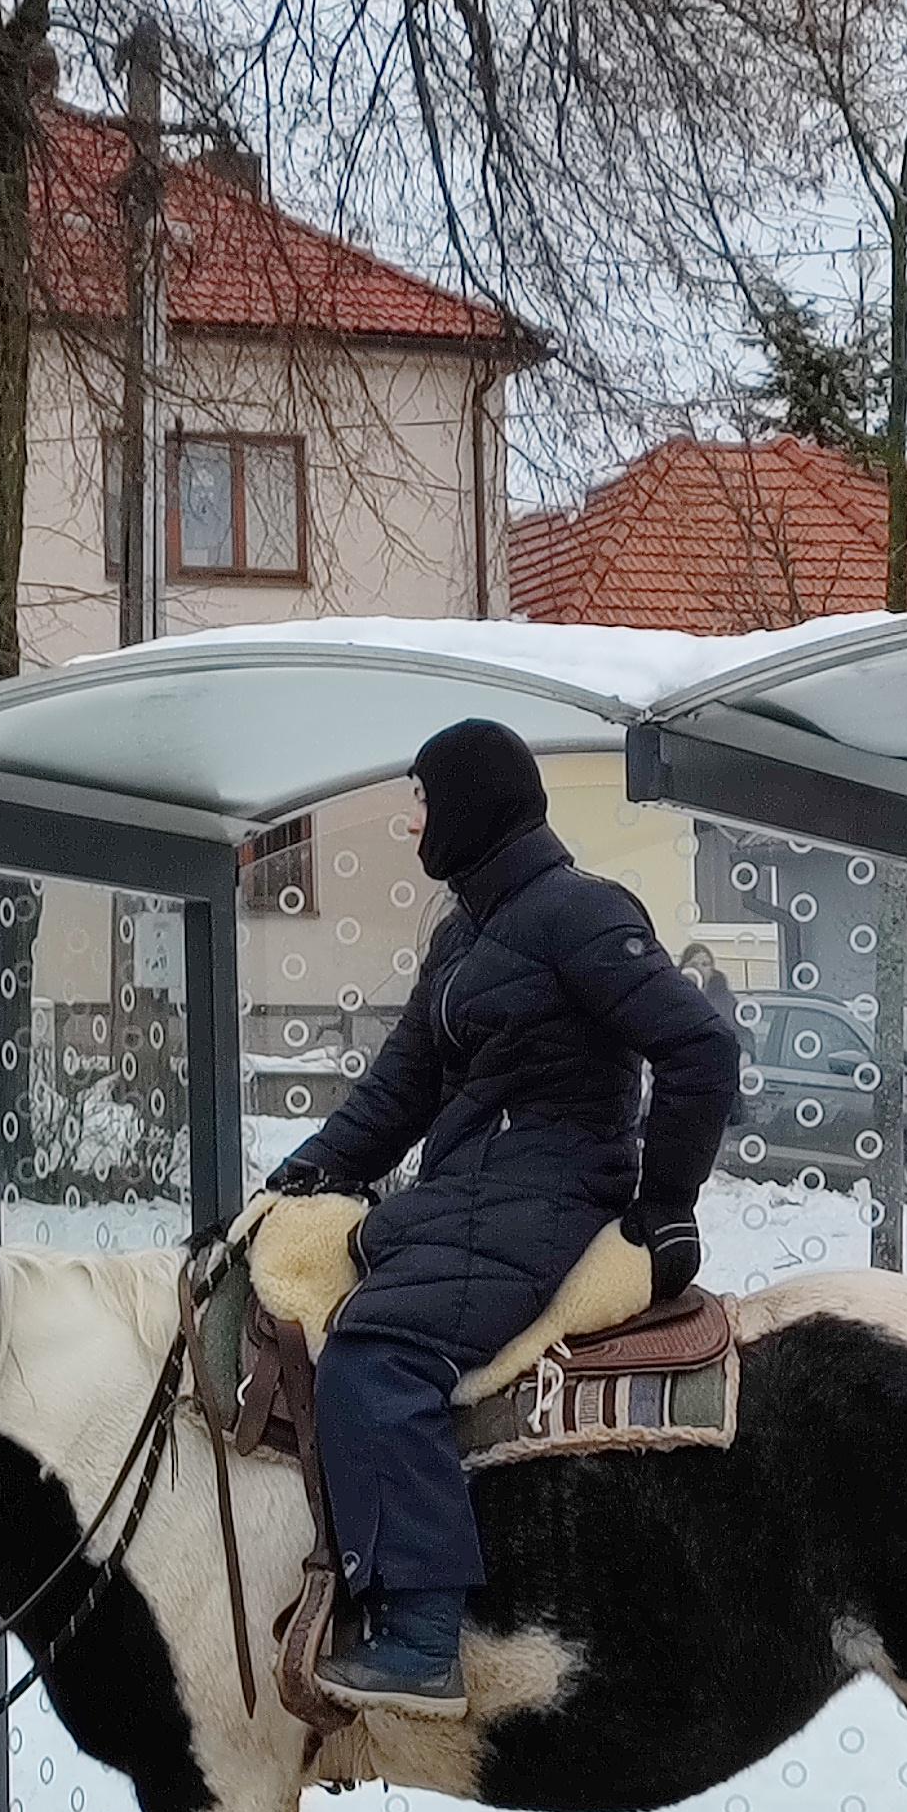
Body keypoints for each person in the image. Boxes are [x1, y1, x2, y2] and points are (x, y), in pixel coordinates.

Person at [264, 719, 741, 1714]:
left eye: (425, 800)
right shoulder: (468, 934)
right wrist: (283, 1191)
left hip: (548, 1197)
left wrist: (665, 1207)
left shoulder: (576, 912)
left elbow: (700, 1048)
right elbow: (394, 1096)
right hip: (472, 1198)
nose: (411, 822)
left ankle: (423, 1635)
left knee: (376, 1351)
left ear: (473, 805)